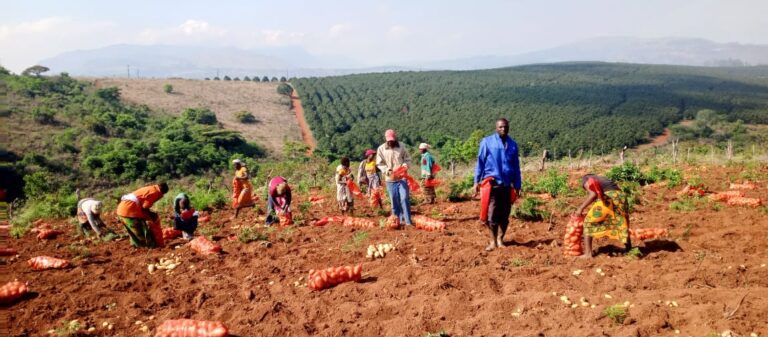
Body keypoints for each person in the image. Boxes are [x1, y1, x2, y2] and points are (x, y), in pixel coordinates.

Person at [473, 118, 522, 251]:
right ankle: (492, 241)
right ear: (496, 128)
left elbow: (516, 167)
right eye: (500, 127)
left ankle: (500, 239)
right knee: (492, 214)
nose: (503, 129)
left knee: (505, 215)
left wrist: (517, 184)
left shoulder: (513, 144)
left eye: (505, 127)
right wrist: (476, 181)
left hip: (507, 185)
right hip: (492, 184)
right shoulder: (487, 142)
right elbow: (480, 163)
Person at [573, 174, 632, 257]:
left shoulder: (585, 179)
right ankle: (629, 249)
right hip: (620, 197)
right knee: (622, 222)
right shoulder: (601, 178)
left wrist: (580, 208)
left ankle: (588, 254)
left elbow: (593, 194)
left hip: (610, 197)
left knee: (588, 222)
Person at [376, 129, 412, 225]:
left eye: (392, 140)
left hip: (402, 178)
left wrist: (405, 165)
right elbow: (379, 163)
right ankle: (397, 222)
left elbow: (407, 159)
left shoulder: (402, 146)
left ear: (395, 138)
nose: (391, 142)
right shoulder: (381, 149)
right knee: (394, 201)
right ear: (386, 139)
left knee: (404, 198)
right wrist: (386, 170)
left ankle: (408, 222)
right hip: (390, 179)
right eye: (389, 140)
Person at [116, 182, 169, 248]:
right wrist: (151, 216)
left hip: (123, 208)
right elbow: (145, 207)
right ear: (162, 192)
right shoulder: (155, 192)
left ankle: (136, 246)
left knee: (133, 231)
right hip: (128, 209)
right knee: (141, 230)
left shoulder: (151, 188)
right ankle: (148, 247)